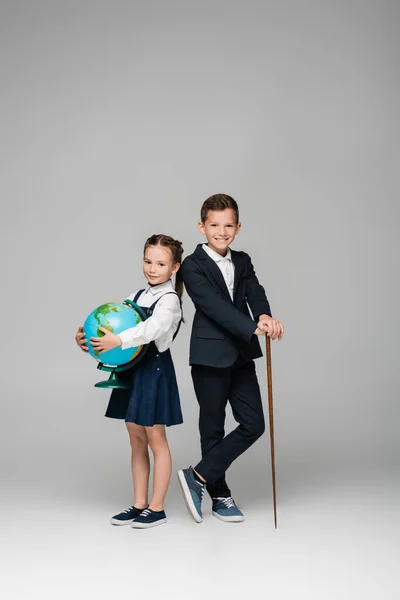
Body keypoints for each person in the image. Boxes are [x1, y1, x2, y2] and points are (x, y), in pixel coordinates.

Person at [177, 194, 284, 523]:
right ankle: (220, 495)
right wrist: (252, 327)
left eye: (228, 226)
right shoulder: (192, 266)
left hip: (240, 354)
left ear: (237, 227)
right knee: (212, 427)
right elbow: (213, 306)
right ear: (202, 226)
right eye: (214, 225)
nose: (221, 232)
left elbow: (254, 290)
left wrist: (264, 315)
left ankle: (198, 475)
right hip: (209, 355)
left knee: (254, 424)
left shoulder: (243, 260)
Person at [75, 234, 184, 529]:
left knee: (155, 439)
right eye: (148, 261)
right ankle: (139, 503)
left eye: (160, 263)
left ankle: (157, 507)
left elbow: (150, 329)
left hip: (154, 371)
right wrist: (88, 339)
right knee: (135, 438)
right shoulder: (136, 296)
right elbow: (115, 322)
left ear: (174, 267)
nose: (152, 268)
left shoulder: (170, 300)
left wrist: (117, 339)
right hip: (132, 370)